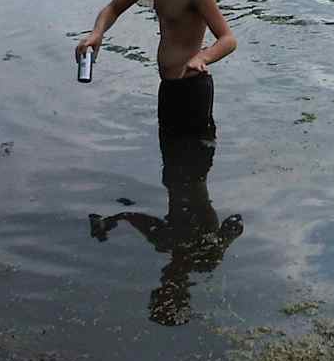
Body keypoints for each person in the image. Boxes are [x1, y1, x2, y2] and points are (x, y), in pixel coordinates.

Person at [75, 0, 236, 139]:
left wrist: (201, 58)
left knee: (193, 164)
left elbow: (228, 39)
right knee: (170, 162)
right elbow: (114, 8)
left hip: (193, 87)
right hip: (167, 86)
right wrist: (97, 33)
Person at [89, 128, 243, 326]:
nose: (163, 280)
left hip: (183, 161)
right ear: (182, 292)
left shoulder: (167, 242)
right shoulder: (201, 256)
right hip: (193, 160)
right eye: (163, 290)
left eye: (159, 290)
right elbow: (236, 224)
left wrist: (113, 219)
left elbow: (236, 224)